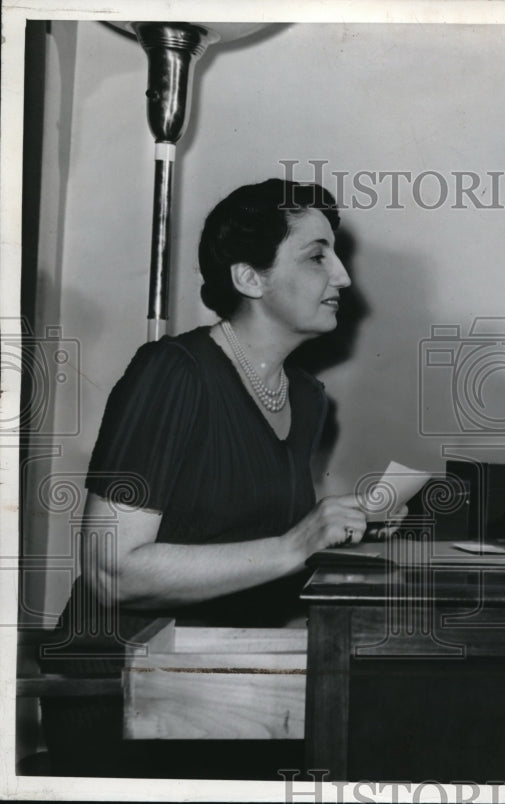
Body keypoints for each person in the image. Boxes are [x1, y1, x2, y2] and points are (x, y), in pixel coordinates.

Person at [40, 178, 392, 777]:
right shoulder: (172, 372)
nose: (342, 277)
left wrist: (343, 537)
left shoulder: (305, 398)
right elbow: (110, 571)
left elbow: (250, 551)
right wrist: (294, 543)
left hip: (216, 677)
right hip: (117, 688)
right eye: (316, 256)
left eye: (336, 255)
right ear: (249, 279)